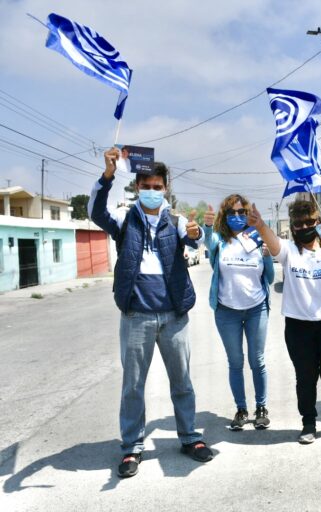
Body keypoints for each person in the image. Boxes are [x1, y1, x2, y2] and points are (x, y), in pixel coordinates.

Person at [88, 148, 213, 479]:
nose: (153, 192)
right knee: (133, 385)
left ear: (166, 189)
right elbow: (95, 211)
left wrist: (196, 234)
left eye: (159, 187)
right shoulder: (123, 219)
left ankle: (190, 437)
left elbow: (195, 242)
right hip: (136, 317)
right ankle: (131, 448)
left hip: (174, 316)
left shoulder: (176, 221)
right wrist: (108, 174)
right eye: (148, 186)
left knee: (182, 382)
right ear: (137, 187)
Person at [250, 199, 321, 444]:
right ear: (293, 227)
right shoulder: (288, 250)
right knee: (305, 377)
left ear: (318, 222)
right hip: (299, 327)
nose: (305, 226)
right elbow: (271, 239)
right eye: (299, 223)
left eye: (310, 221)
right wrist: (259, 225)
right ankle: (308, 423)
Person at [202, 197, 275, 431]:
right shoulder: (219, 240)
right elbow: (205, 239)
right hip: (226, 312)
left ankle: (261, 408)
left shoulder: (257, 238)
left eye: (242, 212)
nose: (238, 216)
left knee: (257, 361)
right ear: (224, 215)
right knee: (235, 362)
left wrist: (265, 255)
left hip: (256, 308)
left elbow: (270, 278)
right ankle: (241, 409)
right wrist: (206, 225)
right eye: (232, 212)